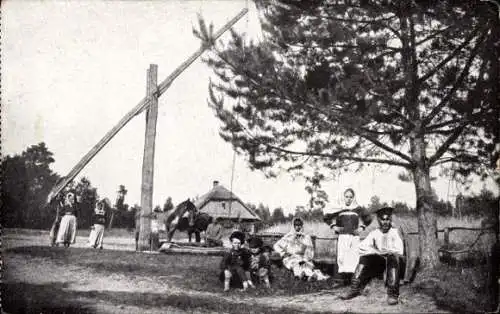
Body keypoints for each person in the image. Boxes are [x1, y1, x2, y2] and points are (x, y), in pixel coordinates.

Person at [340, 207, 404, 305]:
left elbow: (399, 250)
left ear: (390, 220)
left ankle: (392, 294)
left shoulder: (394, 232)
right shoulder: (375, 233)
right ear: (379, 220)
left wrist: (388, 252)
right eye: (383, 219)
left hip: (393, 263)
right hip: (380, 263)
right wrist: (376, 251)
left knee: (392, 257)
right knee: (364, 257)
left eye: (387, 219)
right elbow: (361, 247)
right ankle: (354, 288)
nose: (385, 222)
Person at [324, 188, 372, 287]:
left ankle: (354, 281)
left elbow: (368, 219)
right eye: (346, 197)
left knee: (353, 257)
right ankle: (339, 281)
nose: (348, 199)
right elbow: (326, 217)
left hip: (354, 237)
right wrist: (334, 226)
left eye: (351, 197)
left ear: (353, 198)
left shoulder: (358, 209)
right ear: (343, 197)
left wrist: (361, 228)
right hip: (342, 236)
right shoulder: (339, 208)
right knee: (341, 258)